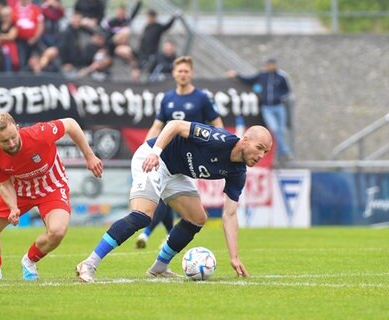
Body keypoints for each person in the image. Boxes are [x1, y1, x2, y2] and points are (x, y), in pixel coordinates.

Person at [76, 120, 272, 282]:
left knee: (197, 218)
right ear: (245, 140)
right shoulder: (218, 139)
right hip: (153, 158)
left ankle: (159, 268)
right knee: (142, 216)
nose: (261, 156)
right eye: (259, 148)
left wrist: (234, 257)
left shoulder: (238, 173)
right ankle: (89, 263)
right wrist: (156, 153)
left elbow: (229, 214)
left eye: (265, 152)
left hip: (175, 172)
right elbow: (175, 125)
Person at [0, 113, 103, 281]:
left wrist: (89, 156)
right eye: (4, 141)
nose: (11, 143)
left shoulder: (40, 134)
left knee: (57, 232)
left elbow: (70, 123)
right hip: (20, 191)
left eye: (13, 137)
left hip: (51, 187)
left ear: (17, 129)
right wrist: (13, 207)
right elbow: (3, 183)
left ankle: (29, 261)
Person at [135, 56, 224, 250]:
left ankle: (158, 235)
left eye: (186, 71)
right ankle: (162, 237)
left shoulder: (201, 98)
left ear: (191, 74)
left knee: (175, 201)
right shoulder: (168, 99)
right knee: (163, 197)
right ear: (174, 73)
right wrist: (146, 149)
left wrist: (218, 147)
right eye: (179, 71)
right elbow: (157, 126)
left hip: (190, 160)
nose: (182, 74)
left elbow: (217, 124)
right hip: (167, 157)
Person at [227, 57, 294, 164]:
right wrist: (236, 75)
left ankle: (279, 155)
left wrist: (280, 97)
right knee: (274, 129)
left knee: (281, 130)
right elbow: (248, 80)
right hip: (267, 107)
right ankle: (285, 152)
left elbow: (287, 90)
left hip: (278, 107)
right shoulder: (262, 75)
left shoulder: (281, 76)